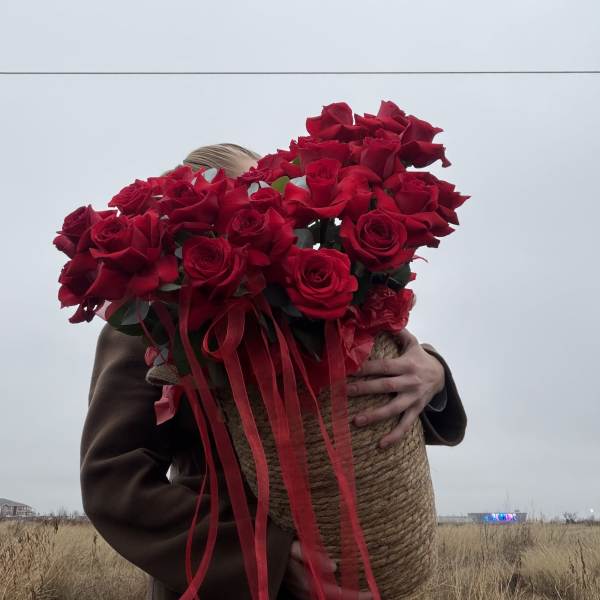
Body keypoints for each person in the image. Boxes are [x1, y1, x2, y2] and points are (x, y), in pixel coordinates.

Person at [80, 143, 467, 600]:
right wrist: (266, 558)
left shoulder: (302, 301)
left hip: (348, 561)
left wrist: (432, 373)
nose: (268, 215)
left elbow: (353, 418)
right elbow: (112, 482)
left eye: (272, 198)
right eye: (248, 198)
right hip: (225, 584)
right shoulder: (150, 324)